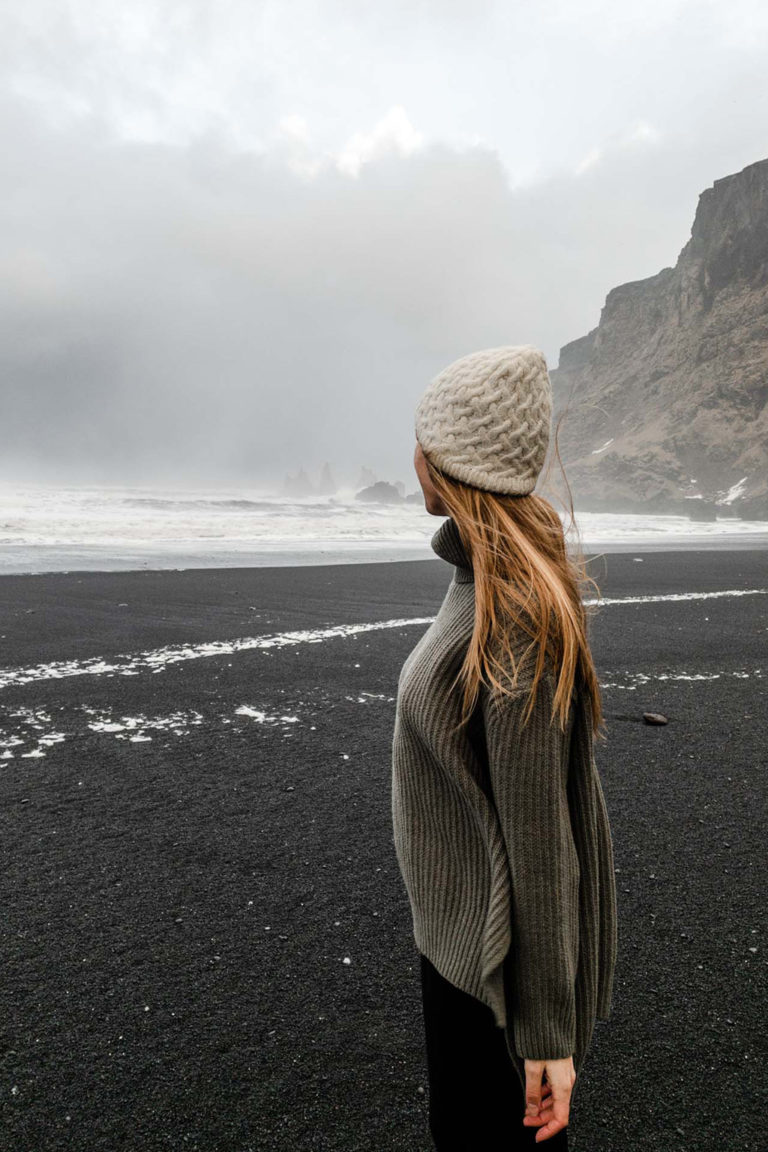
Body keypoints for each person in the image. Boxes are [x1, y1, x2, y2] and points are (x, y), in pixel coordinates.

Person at [390, 345, 618, 1149]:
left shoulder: (513, 612)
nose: (410, 454)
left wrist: (548, 1036)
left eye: (421, 437)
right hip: (457, 944)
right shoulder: (480, 578)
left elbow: (541, 837)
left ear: (449, 458)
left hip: (489, 979)